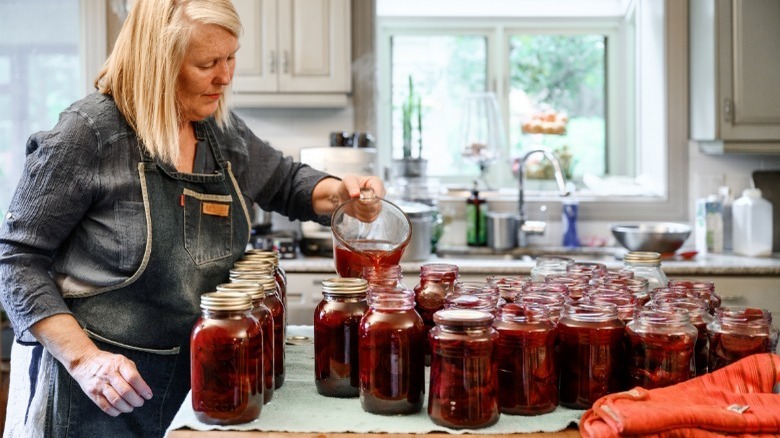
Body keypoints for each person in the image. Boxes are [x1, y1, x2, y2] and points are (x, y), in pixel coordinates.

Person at [0, 0, 384, 436]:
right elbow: (16, 262)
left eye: (231, 57)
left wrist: (343, 193)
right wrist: (86, 362)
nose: (225, 76)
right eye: (207, 63)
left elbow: (286, 182)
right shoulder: (88, 134)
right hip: (102, 397)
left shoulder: (218, 132)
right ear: (158, 63)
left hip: (201, 385)